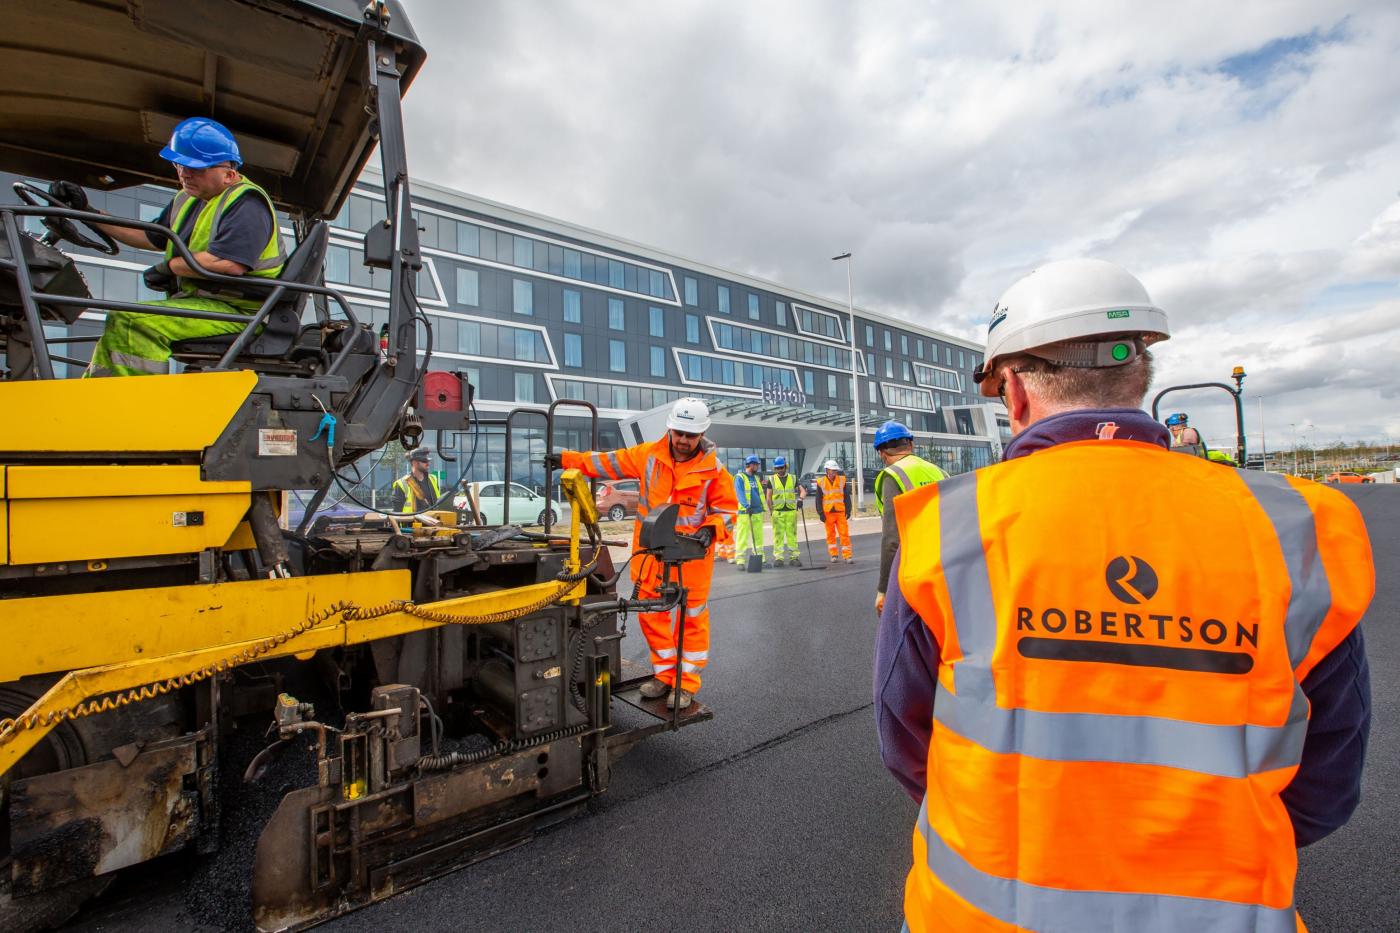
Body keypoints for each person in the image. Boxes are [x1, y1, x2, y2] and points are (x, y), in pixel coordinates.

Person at [875, 258, 1373, 931]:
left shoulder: (953, 529)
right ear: (1140, 376)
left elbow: (906, 739)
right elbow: (1329, 774)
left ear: (1015, 392)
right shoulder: (1292, 529)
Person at [49, 117, 287, 376]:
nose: (184, 174)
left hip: (242, 311)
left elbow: (229, 263)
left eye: (195, 168)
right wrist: (87, 212)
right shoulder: (187, 200)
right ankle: (95, 402)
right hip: (208, 305)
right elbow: (150, 236)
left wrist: (171, 267)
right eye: (180, 164)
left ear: (228, 174)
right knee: (125, 319)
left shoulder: (247, 203)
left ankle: (126, 408)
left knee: (133, 323)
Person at [548, 398, 737, 710]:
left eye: (690, 435)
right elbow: (607, 462)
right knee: (653, 617)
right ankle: (664, 675)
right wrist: (568, 459)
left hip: (692, 559)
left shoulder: (714, 472)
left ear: (702, 434)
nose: (683, 441)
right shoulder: (648, 455)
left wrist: (712, 528)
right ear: (671, 429)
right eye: (679, 433)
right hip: (652, 557)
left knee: (691, 621)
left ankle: (685, 684)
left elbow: (728, 509)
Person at [871, 421, 945, 616]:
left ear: (881, 453)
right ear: (910, 445)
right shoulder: (938, 471)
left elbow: (891, 539)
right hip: (945, 567)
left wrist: (883, 589)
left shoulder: (893, 475)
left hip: (915, 572)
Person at [732, 455, 767, 568]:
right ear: (750, 464)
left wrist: (762, 507)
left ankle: (760, 557)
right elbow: (740, 493)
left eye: (757, 464)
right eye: (756, 464)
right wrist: (746, 506)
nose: (757, 466)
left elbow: (759, 494)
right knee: (742, 536)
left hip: (757, 511)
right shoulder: (740, 477)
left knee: (758, 537)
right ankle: (740, 560)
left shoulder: (756, 478)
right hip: (746, 512)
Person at [767, 455, 802, 566]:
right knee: (778, 535)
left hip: (791, 512)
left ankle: (794, 557)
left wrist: (800, 498)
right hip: (777, 512)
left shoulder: (793, 478)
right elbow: (768, 497)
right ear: (775, 469)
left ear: (785, 467)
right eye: (777, 468)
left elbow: (803, 491)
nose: (780, 470)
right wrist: (771, 511)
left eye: (781, 467)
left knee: (792, 535)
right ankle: (779, 558)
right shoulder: (771, 479)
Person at [815, 459, 852, 563]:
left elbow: (846, 496)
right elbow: (818, 499)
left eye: (835, 470)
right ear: (827, 470)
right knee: (830, 535)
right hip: (828, 513)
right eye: (832, 470)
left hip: (840, 511)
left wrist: (848, 509)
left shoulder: (842, 480)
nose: (834, 472)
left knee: (844, 534)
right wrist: (820, 513)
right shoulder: (821, 482)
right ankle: (834, 555)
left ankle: (847, 556)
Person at [389, 447, 442, 513]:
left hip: (432, 522)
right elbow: (397, 512)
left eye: (428, 461)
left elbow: (438, 503)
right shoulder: (401, 484)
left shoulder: (433, 479)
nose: (428, 463)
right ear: (414, 463)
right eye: (424, 461)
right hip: (410, 522)